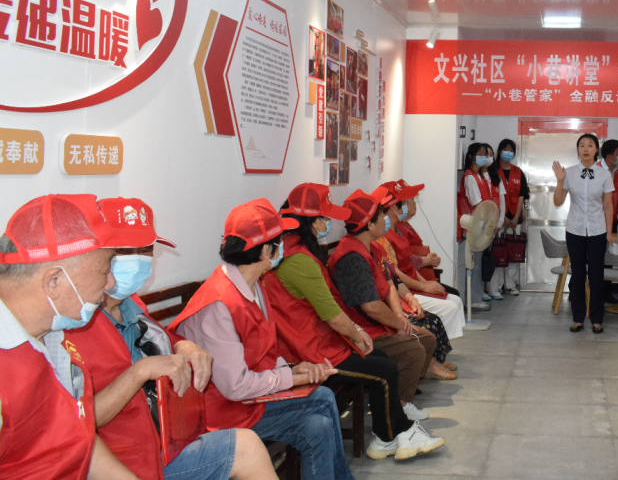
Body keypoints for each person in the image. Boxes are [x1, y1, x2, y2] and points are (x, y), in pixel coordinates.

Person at [64, 197, 276, 480]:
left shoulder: (130, 302)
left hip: (170, 435)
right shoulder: (74, 322)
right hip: (128, 456)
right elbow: (77, 420)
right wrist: (140, 372)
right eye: (125, 251)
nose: (139, 260)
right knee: (247, 447)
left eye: (146, 250)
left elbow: (159, 341)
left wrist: (183, 345)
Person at [170, 198, 355, 480]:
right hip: (223, 412)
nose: (284, 245)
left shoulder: (253, 285)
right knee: (323, 398)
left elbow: (262, 349)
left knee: (316, 425)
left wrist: (292, 368)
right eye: (280, 240)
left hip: (248, 398)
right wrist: (293, 378)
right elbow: (235, 387)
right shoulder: (219, 304)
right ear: (267, 250)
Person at [263, 183, 442, 460]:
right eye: (325, 217)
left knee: (381, 359)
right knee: (383, 368)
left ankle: (391, 434)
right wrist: (359, 334)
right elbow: (332, 314)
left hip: (312, 338)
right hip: (308, 348)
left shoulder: (292, 250)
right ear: (312, 221)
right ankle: (392, 434)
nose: (328, 223)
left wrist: (360, 333)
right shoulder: (299, 260)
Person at [0, 194, 141, 479]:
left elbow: (76, 436)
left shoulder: (51, 334)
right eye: (105, 271)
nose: (111, 283)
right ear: (54, 281)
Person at [329, 187, 438, 415]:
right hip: (363, 330)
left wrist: (400, 317)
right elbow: (371, 307)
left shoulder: (373, 247)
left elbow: (389, 283)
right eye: (381, 216)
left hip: (380, 323)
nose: (385, 220)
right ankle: (398, 407)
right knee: (414, 351)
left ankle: (400, 395)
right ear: (369, 225)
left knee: (427, 339)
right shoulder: (351, 257)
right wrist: (399, 325)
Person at [377, 191, 458, 381]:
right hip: (390, 300)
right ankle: (431, 364)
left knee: (449, 302)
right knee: (431, 319)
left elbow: (394, 278)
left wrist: (412, 296)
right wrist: (417, 291)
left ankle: (437, 359)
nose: (412, 204)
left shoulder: (382, 241)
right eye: (409, 201)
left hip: (403, 291)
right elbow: (392, 278)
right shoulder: (370, 247)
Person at [552, 133, 618, 334]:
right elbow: (558, 202)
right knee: (578, 275)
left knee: (597, 276)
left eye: (590, 145)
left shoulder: (604, 174)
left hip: (597, 230)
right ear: (578, 150)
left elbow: (608, 206)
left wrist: (609, 232)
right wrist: (560, 181)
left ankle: (597, 319)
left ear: (597, 149)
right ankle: (578, 318)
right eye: (582, 145)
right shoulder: (569, 173)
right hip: (575, 230)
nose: (586, 149)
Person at [390, 179, 458, 297]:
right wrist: (426, 261)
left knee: (453, 295)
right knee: (453, 296)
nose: (415, 203)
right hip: (412, 285)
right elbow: (404, 260)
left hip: (422, 278)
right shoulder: (396, 228)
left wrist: (431, 260)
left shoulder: (405, 224)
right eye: (412, 199)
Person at [457, 142, 506, 307]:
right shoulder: (470, 177)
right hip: (473, 225)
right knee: (474, 264)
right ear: (471, 156)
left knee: (477, 264)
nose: (484, 157)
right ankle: (473, 299)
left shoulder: (481, 177)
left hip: (482, 225)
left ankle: (476, 297)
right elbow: (476, 202)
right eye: (480, 153)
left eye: (485, 154)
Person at [493, 139, 528, 295]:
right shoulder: (493, 170)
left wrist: (515, 218)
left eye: (511, 150)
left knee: (513, 250)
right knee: (499, 251)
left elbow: (522, 195)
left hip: (515, 218)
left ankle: (510, 285)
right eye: (505, 149)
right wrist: (503, 219)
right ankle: (497, 286)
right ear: (499, 151)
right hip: (498, 218)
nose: (508, 152)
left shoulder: (518, 172)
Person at [599, 139, 618, 233]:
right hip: (597, 221)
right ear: (609, 156)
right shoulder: (596, 170)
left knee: (613, 242)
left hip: (614, 219)